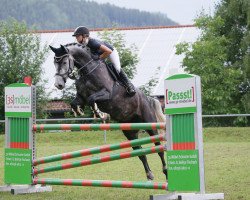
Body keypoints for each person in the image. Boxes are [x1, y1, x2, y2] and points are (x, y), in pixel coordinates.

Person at [72, 26, 136, 96]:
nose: (76, 38)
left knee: (117, 68)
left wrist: (99, 57)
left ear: (84, 36)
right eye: (76, 36)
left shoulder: (92, 43)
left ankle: (129, 86)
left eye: (78, 36)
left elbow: (108, 51)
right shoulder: (82, 44)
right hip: (100, 53)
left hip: (110, 52)